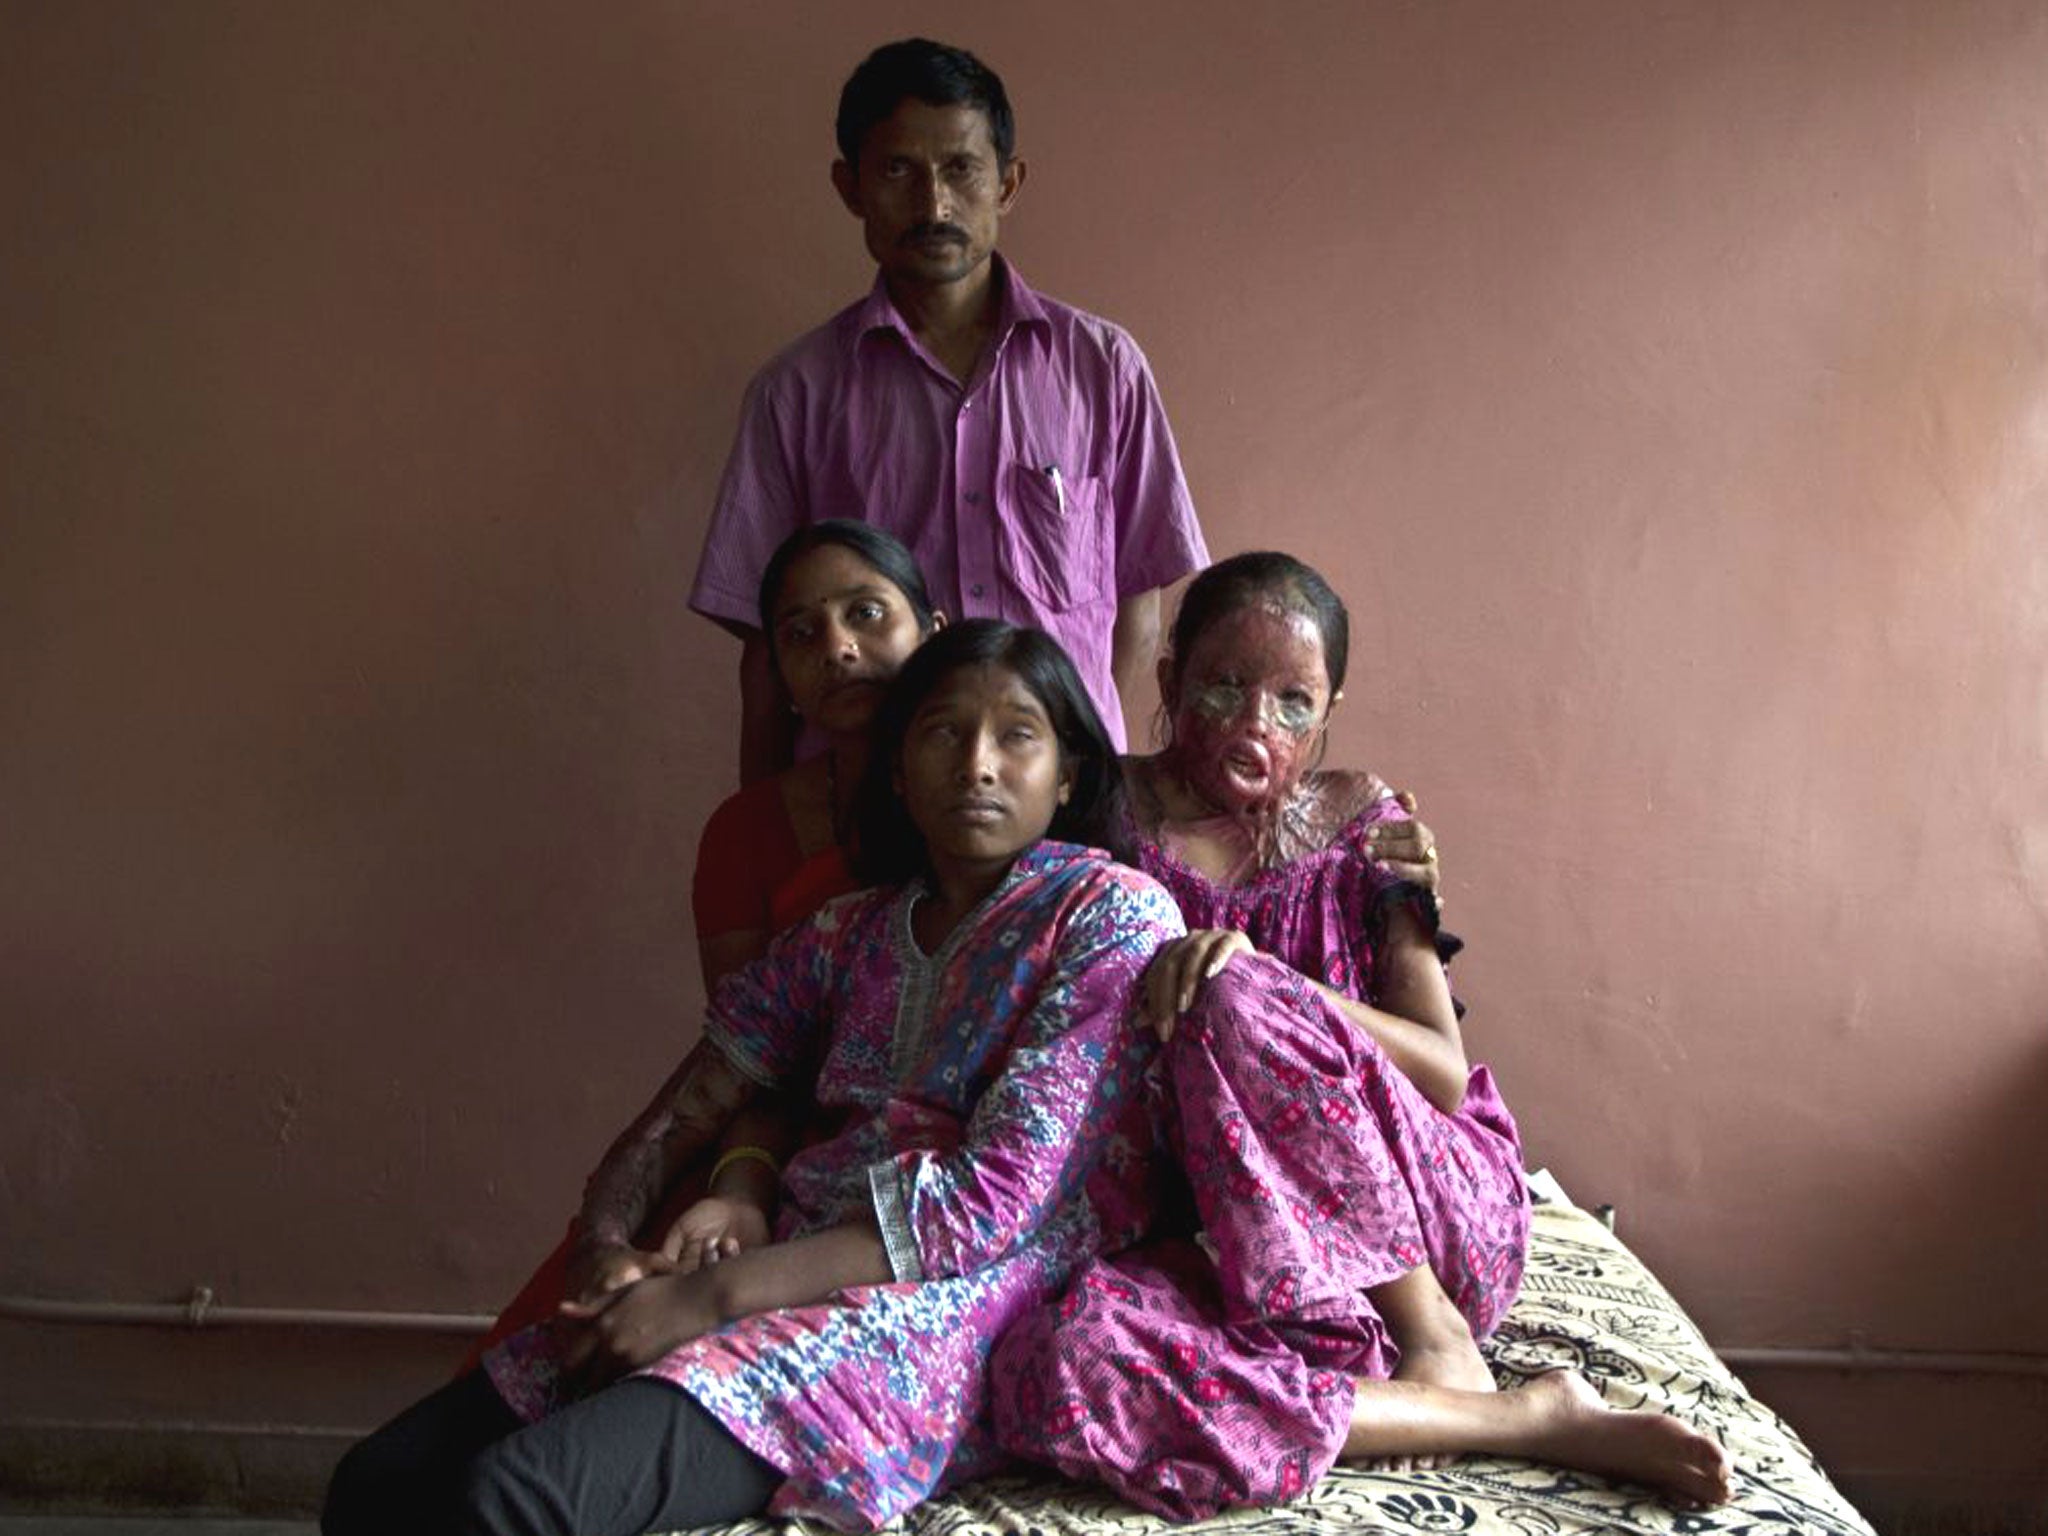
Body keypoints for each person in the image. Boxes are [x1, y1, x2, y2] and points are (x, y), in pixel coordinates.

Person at [322, 619, 1185, 1536]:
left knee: (510, 1503)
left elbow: (988, 1208)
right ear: (897, 768)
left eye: (1017, 735)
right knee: (376, 1484)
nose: (976, 763)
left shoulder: (1110, 913)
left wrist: (705, 1300)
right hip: (787, 1255)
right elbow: (675, 1120)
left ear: (1071, 777)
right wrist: (608, 1254)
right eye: (941, 731)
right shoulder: (845, 934)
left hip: (947, 1308)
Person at [990, 552, 1734, 1517]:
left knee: (1227, 992)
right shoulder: (1097, 814)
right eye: (1223, 684)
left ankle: (1433, 1339)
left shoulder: (1360, 826)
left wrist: (1274, 989)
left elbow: (1444, 1072)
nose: (1259, 724)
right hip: (1223, 1235)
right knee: (1056, 1363)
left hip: (1420, 1207)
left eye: (1293, 702)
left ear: (1330, 709)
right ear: (1169, 678)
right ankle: (1507, 1418)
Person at [460, 522, 950, 1368]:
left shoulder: (1004, 817)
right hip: (765, 1146)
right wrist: (739, 1184)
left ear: (932, 632)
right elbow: (750, 1058)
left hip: (931, 1176)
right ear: (783, 681)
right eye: (801, 634)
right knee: (553, 1349)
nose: (837, 647)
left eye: (867, 613)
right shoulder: (749, 833)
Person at [690, 37, 1209, 782]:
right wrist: (762, 840)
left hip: (1053, 811)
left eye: (962, 169)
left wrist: (1079, 769)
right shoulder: (796, 393)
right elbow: (769, 651)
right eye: (899, 170)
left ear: (1007, 183)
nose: (934, 204)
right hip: (868, 811)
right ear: (850, 187)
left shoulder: (1103, 369)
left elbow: (1140, 609)